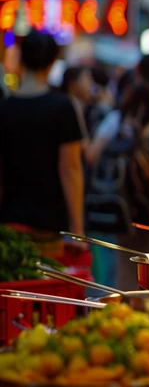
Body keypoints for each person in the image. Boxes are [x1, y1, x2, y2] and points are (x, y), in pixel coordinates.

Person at [0, 32, 84, 258]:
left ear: (22, 59)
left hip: (9, 221)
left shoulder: (5, 108)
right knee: (42, 290)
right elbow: (71, 169)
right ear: (52, 61)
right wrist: (77, 229)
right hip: (48, 224)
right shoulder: (62, 107)